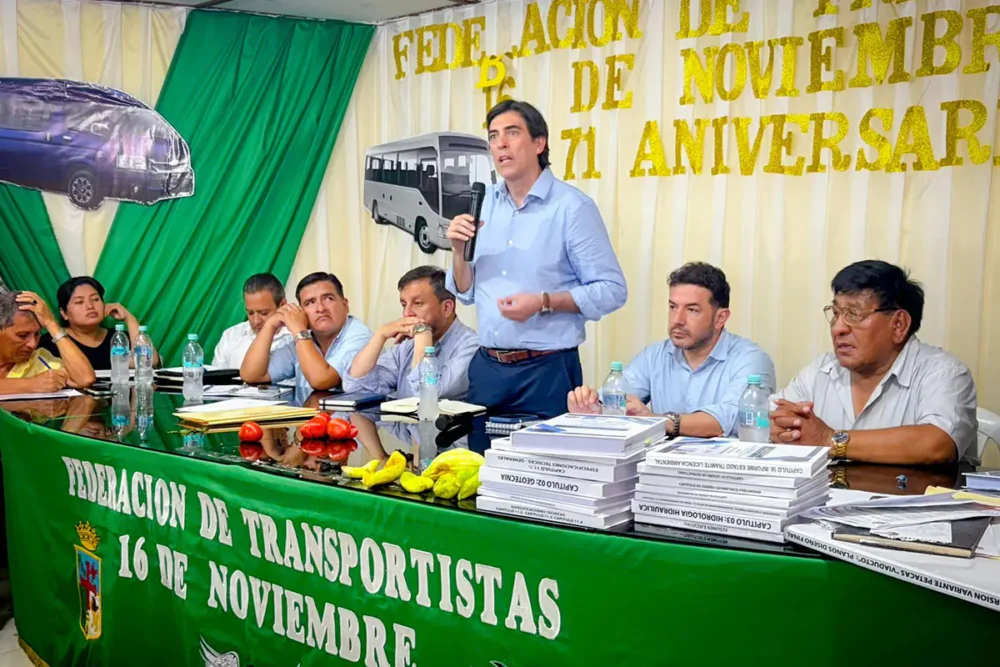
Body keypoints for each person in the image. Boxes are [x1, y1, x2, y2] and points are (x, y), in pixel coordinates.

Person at [445, 99, 627, 418]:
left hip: (547, 372)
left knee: (544, 467)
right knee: (479, 467)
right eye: (493, 136)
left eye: (512, 133)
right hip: (488, 370)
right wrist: (459, 254)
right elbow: (466, 292)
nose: (500, 143)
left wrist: (544, 301)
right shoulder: (482, 203)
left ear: (539, 143)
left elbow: (612, 290)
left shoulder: (571, 207)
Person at [770, 260, 977, 464]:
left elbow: (937, 444)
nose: (837, 328)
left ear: (898, 325)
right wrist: (778, 427)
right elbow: (770, 417)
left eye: (853, 314)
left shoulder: (944, 373)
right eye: (835, 313)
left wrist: (829, 440)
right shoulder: (820, 371)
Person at [567, 263, 775, 437]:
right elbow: (618, 398)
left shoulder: (751, 359)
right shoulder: (654, 356)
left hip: (729, 476)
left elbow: (728, 419)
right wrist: (591, 409)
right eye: (673, 307)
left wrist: (656, 421)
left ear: (720, 318)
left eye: (692, 310)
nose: (677, 320)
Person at [345, 266, 478, 400]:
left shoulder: (471, 346)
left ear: (447, 308)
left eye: (418, 303)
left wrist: (423, 335)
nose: (407, 313)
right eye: (404, 304)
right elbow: (355, 388)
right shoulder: (407, 347)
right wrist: (380, 335)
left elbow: (427, 394)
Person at [241, 272, 372, 403]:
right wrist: (270, 325)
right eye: (310, 303)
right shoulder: (304, 340)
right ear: (302, 312)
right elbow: (252, 375)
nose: (320, 308)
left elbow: (322, 380)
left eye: (328, 298)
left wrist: (299, 330)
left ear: (345, 304)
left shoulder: (360, 336)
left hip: (356, 421)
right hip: (313, 419)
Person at [38, 276, 161, 370]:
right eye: (79, 302)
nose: (90, 306)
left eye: (95, 299)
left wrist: (129, 319)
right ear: (64, 313)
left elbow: (149, 362)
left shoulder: (119, 338)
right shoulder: (51, 343)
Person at [0, 290, 95, 392]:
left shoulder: (40, 360)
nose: (32, 344)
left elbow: (85, 378)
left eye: (37, 334)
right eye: (22, 335)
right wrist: (31, 384)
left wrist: (51, 323)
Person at [213, 273, 294, 369]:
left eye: (264, 313)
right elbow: (215, 380)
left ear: (282, 305)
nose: (256, 321)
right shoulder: (231, 336)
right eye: (250, 313)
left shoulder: (295, 337)